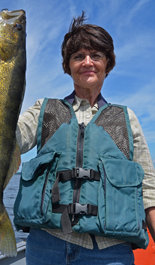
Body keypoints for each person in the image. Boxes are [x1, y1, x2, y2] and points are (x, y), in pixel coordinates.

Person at [14, 12, 155, 265]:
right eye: (78, 56)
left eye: (96, 56)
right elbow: (11, 139)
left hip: (110, 252)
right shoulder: (44, 110)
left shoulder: (126, 118)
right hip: (47, 245)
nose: (87, 62)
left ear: (107, 64)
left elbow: (148, 191)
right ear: (68, 66)